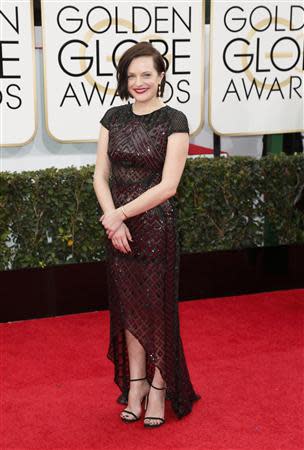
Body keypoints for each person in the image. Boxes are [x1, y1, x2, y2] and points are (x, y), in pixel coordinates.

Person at [93, 41, 201, 428]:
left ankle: (159, 387)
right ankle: (135, 385)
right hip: (118, 230)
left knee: (156, 310)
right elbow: (100, 175)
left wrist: (119, 214)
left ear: (160, 76)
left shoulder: (174, 120)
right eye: (131, 75)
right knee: (129, 308)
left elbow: (169, 185)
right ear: (124, 79)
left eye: (146, 74)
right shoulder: (113, 118)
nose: (138, 82)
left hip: (155, 228)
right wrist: (112, 219)